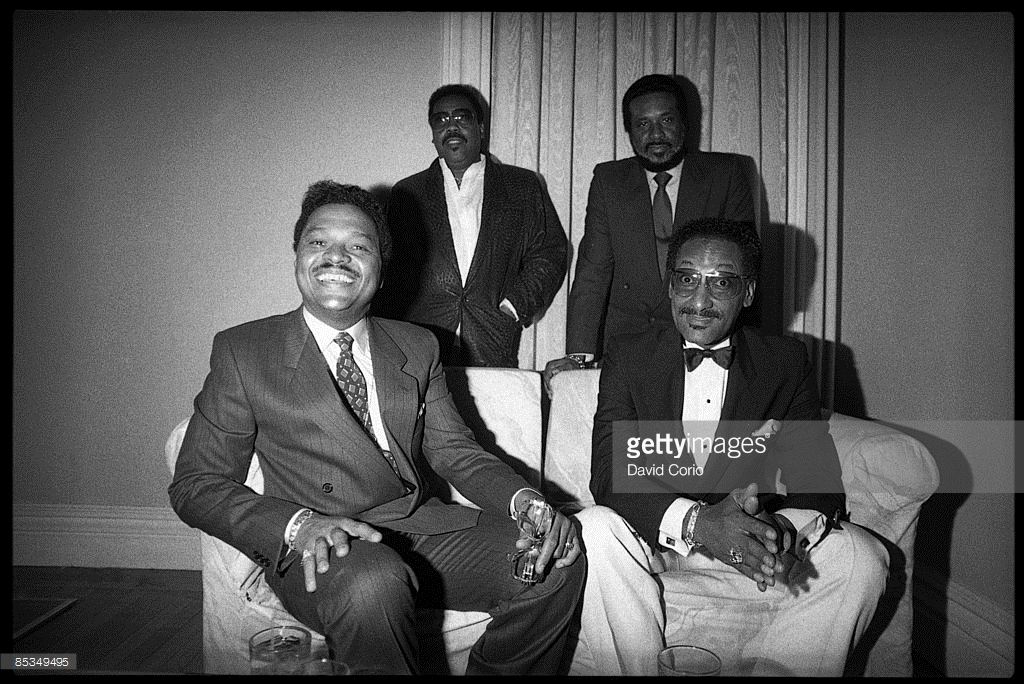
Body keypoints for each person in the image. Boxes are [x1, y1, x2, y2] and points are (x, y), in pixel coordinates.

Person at [168, 181, 585, 675]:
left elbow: (456, 452)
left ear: (382, 270)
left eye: (359, 246)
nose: (336, 256)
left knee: (554, 565)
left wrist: (527, 502)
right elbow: (196, 485)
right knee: (374, 583)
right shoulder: (244, 350)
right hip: (323, 545)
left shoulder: (419, 345)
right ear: (298, 256)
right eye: (318, 241)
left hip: (419, 527)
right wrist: (298, 526)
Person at [569, 217, 888, 676]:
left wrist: (773, 529)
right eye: (687, 279)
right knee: (594, 529)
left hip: (750, 548)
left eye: (720, 282)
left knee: (862, 556)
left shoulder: (784, 362)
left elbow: (818, 483)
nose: (700, 301)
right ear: (670, 285)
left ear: (748, 292)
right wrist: (700, 523)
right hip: (654, 541)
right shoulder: (629, 354)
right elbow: (609, 472)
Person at [544, 73, 755, 392]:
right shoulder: (608, 180)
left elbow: (745, 270)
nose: (656, 134)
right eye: (643, 124)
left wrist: (745, 356)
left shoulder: (725, 174)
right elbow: (592, 273)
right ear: (629, 130)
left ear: (685, 124)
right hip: (626, 349)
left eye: (666, 120)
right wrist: (579, 357)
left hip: (702, 345)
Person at [379, 83, 568, 368]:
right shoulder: (408, 193)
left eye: (461, 117)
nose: (451, 127)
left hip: (491, 340)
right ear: (433, 134)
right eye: (441, 120)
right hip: (420, 345)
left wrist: (513, 307)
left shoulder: (521, 186)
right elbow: (390, 271)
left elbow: (550, 252)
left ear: (480, 128)